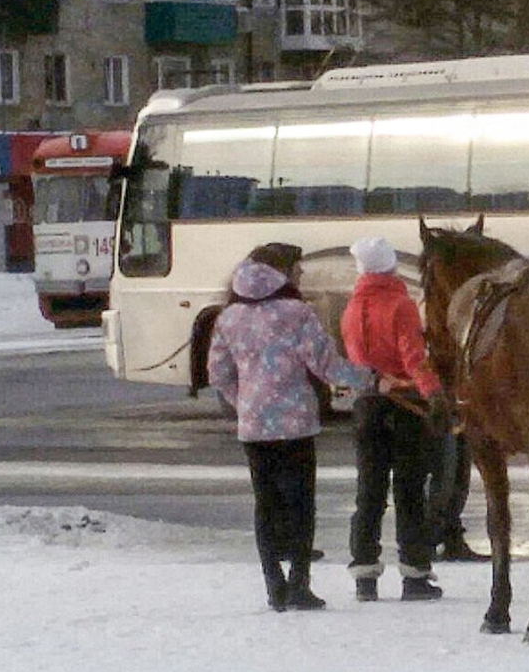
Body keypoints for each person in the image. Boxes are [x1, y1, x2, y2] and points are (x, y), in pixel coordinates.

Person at [208, 243, 376, 611]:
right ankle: (300, 583)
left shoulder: (229, 317)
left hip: (253, 427)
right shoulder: (297, 313)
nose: (300, 275)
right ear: (281, 272)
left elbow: (218, 373)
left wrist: (246, 404)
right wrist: (369, 378)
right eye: (297, 270)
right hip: (295, 423)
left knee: (265, 506)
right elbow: (325, 364)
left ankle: (274, 584)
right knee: (301, 505)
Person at [340, 236, 447, 602]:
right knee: (409, 491)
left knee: (368, 491)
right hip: (406, 406)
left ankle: (364, 575)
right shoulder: (401, 305)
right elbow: (414, 358)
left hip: (368, 404)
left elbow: (357, 362)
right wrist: (433, 392)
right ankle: (415, 574)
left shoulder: (351, 309)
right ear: (390, 266)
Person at [427, 428, 488, 561]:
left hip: (462, 414)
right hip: (438, 414)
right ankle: (427, 540)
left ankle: (452, 537)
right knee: (445, 470)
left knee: (461, 469)